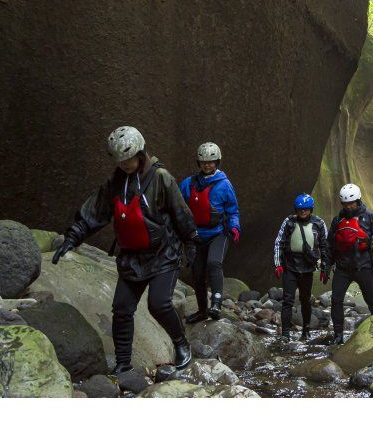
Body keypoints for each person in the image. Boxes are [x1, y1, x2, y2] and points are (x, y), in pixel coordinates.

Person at [51, 126, 200, 373]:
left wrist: (191, 241)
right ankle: (123, 364)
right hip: (132, 257)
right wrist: (73, 237)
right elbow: (95, 211)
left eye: (129, 158)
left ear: (140, 153)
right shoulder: (115, 183)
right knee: (121, 309)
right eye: (120, 160)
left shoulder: (161, 178)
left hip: (164, 254)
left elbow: (180, 212)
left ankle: (181, 343)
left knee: (159, 304)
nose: (124, 164)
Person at [180, 142, 241, 322]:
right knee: (197, 273)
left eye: (211, 162)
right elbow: (178, 207)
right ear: (199, 163)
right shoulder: (188, 184)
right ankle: (202, 311)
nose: (207, 165)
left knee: (214, 263)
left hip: (218, 234)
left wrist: (235, 227)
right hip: (196, 235)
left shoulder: (225, 185)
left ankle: (216, 304)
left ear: (217, 162)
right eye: (204, 162)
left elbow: (233, 210)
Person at [328, 183, 373, 345]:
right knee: (336, 300)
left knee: (371, 300)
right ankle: (338, 336)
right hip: (342, 269)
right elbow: (330, 245)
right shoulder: (337, 220)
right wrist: (327, 265)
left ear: (358, 200)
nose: (348, 207)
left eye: (351, 204)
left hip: (364, 267)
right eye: (345, 204)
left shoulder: (371, 217)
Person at [273, 193, 330, 340]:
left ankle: (306, 330)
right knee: (287, 300)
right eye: (299, 209)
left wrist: (325, 267)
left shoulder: (319, 223)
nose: (302, 212)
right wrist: (278, 264)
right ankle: (285, 333)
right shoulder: (289, 222)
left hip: (308, 268)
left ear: (310, 209)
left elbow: (325, 246)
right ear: (296, 210)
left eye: (305, 209)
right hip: (290, 267)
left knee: (305, 300)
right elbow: (279, 242)